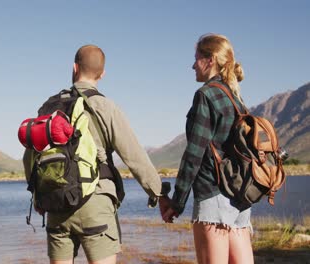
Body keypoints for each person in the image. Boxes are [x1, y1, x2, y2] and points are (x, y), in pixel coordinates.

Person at [23, 44, 169, 264]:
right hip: (96, 202)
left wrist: (37, 196)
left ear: (74, 68)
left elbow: (30, 156)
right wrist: (158, 194)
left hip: (56, 203)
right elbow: (133, 155)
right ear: (102, 74)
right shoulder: (105, 106)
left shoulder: (51, 107)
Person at [162, 33, 254, 264]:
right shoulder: (236, 98)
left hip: (212, 195)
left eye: (197, 58)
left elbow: (195, 153)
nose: (193, 65)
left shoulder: (206, 95)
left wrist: (178, 202)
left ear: (210, 59)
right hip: (239, 196)